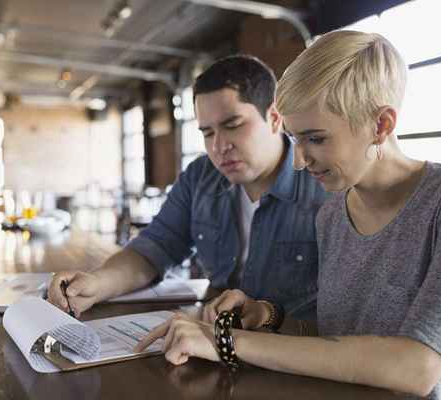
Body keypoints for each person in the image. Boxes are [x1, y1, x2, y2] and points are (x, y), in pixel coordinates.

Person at [135, 31, 441, 399]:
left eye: (316, 139)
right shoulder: (332, 212)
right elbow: (338, 343)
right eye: (297, 140)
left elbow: (416, 366)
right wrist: (268, 316)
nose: (299, 160)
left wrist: (227, 342)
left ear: (381, 125)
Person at [48, 55, 325, 321]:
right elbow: (153, 249)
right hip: (214, 342)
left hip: (294, 355)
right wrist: (98, 283)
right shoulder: (200, 177)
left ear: (275, 118)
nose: (219, 147)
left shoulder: (323, 182)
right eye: (207, 132)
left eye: (233, 125)